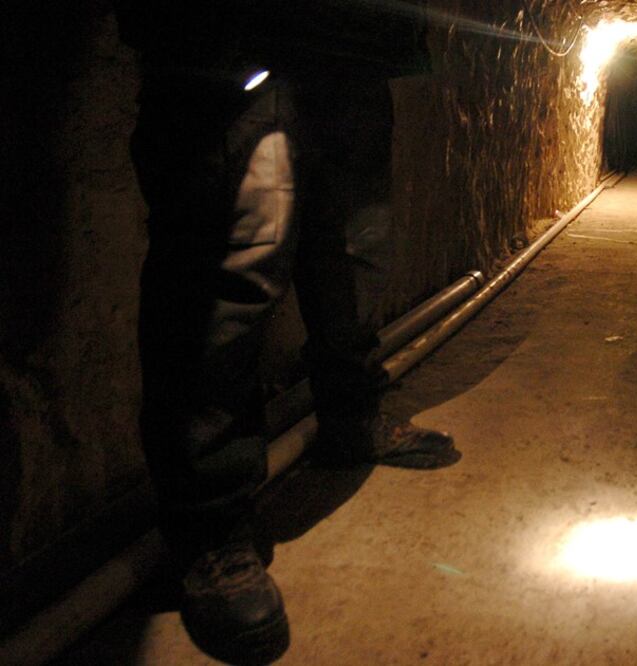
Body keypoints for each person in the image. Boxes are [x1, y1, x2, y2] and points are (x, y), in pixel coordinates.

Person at [113, 2, 460, 663]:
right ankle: (210, 532)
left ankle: (351, 417)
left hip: (355, 49)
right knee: (225, 276)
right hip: (234, 41)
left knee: (353, 250)